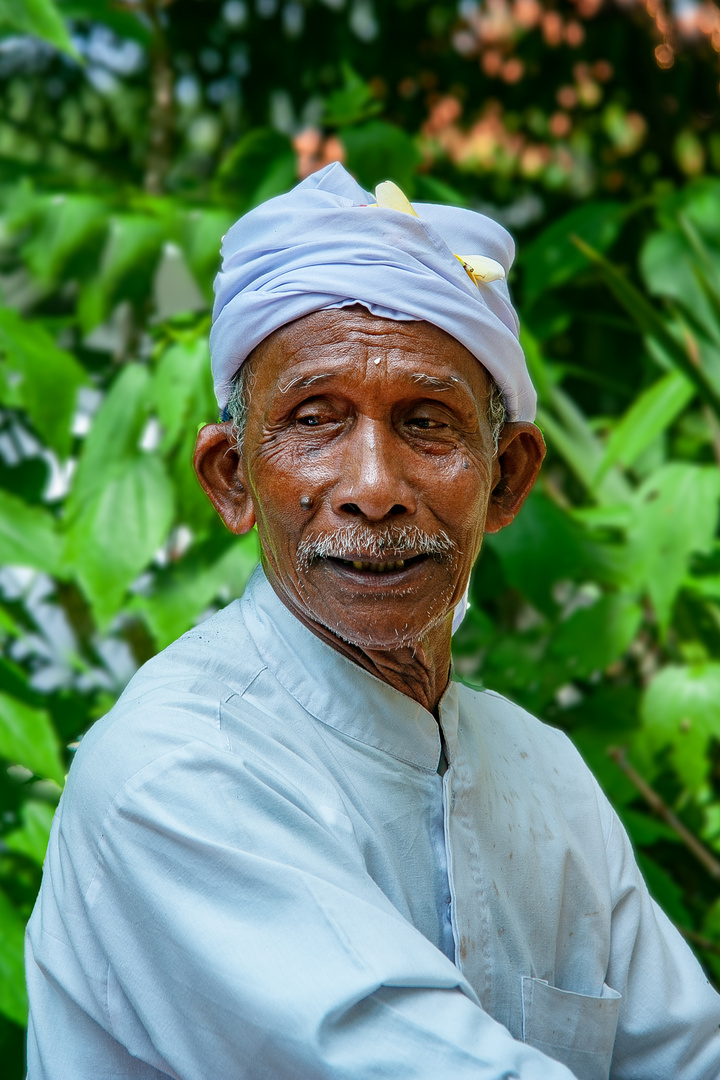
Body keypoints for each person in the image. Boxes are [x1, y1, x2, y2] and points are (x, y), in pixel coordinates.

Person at [26, 163, 720, 1080]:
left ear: (506, 477)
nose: (373, 489)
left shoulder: (540, 770)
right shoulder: (179, 770)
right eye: (313, 420)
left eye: (427, 424)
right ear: (232, 479)